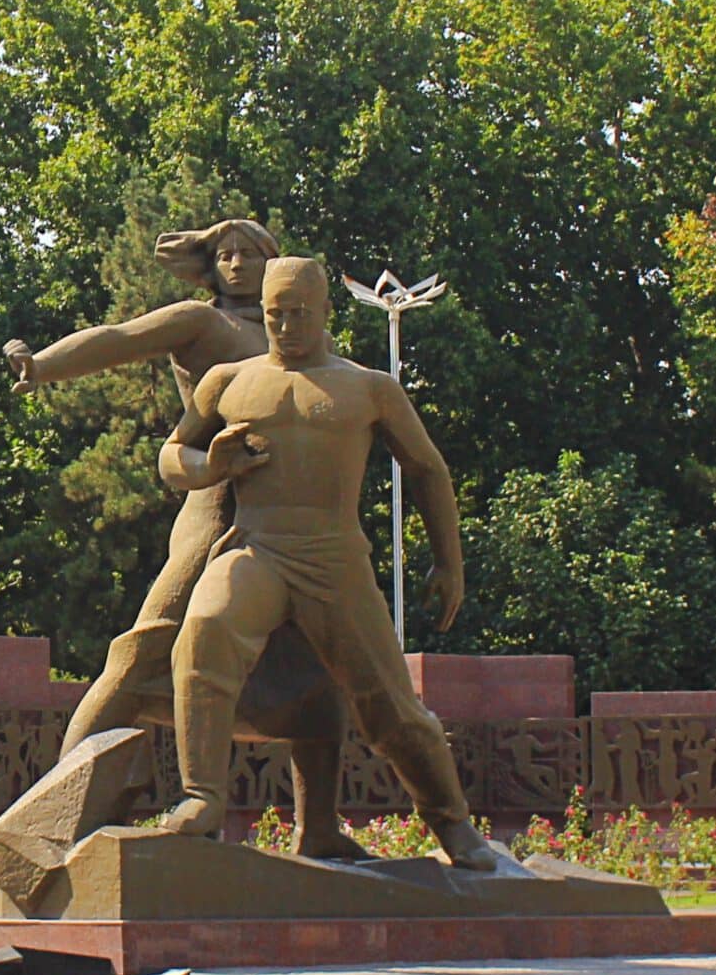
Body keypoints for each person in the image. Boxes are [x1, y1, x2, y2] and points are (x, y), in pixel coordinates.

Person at [2, 219, 367, 860]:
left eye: (250, 254)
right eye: (223, 254)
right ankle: (55, 807)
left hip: (297, 525)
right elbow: (118, 340)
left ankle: (320, 828)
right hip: (217, 502)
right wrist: (44, 366)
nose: (235, 265)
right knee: (147, 647)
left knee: (321, 671)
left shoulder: (302, 337)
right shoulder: (204, 326)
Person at [159, 256, 496, 870]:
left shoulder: (367, 387)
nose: (285, 326)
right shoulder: (229, 381)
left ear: (324, 313)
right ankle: (201, 797)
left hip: (334, 558)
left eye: (299, 314)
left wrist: (449, 562)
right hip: (257, 545)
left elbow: (426, 468)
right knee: (203, 633)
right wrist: (211, 467)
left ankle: (455, 828)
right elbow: (172, 455)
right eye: (273, 315)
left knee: (390, 704)